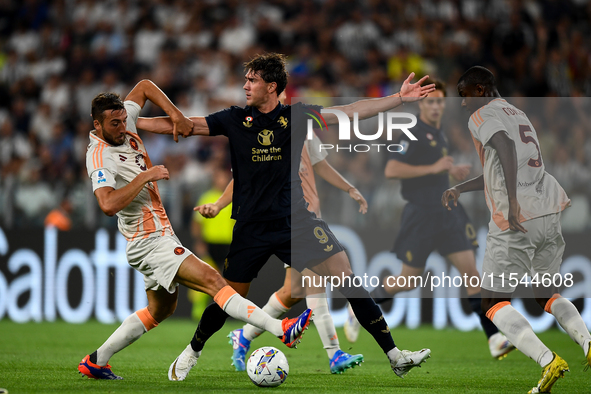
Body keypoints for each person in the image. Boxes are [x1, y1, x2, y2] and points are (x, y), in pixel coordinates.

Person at [138, 53, 435, 381]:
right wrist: (132, 124)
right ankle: (192, 350)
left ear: (272, 86)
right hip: (251, 228)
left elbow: (349, 112)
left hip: (296, 222)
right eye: (246, 79)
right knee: (228, 298)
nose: (245, 85)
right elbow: (185, 125)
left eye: (252, 80)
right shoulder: (235, 119)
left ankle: (395, 356)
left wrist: (397, 99)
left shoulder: (298, 117)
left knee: (347, 277)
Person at [78, 79, 312, 381]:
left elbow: (145, 86)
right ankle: (280, 328)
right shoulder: (99, 156)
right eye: (114, 123)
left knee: (160, 311)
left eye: (124, 119)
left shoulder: (125, 123)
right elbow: (108, 204)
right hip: (147, 240)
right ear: (97, 124)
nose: (123, 127)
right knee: (215, 281)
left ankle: (96, 360)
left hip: (160, 234)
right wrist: (145, 177)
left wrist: (175, 114)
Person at [443, 66, 591, 393]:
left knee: (493, 303)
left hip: (516, 217)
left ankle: (548, 360)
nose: (463, 103)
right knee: (546, 294)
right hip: (548, 209)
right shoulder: (518, 113)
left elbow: (504, 146)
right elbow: (500, 165)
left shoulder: (481, 115)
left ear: (480, 90)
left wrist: (511, 201)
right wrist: (460, 189)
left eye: (464, 95)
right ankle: (588, 343)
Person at [344, 78, 515, 360]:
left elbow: (431, 172)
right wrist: (435, 166)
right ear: (421, 103)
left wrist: (448, 173)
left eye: (439, 101)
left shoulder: (440, 133)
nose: (435, 106)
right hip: (421, 215)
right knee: (408, 281)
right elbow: (392, 169)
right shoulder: (411, 132)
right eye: (430, 101)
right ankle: (361, 305)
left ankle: (494, 338)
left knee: (472, 276)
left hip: (448, 212)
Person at [203, 126, 367, 374]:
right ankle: (334, 354)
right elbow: (242, 179)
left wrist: (349, 188)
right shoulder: (259, 136)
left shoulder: (303, 131)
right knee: (315, 283)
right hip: (290, 222)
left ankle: (244, 335)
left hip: (311, 218)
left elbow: (322, 166)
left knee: (294, 291)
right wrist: (218, 205)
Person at [188, 167, 235, 321]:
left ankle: (225, 312)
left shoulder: (233, 197)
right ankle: (198, 312)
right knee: (205, 279)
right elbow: (196, 223)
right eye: (219, 177)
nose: (221, 180)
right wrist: (199, 242)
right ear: (214, 179)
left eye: (224, 177)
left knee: (229, 281)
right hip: (210, 244)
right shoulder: (207, 197)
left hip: (229, 245)